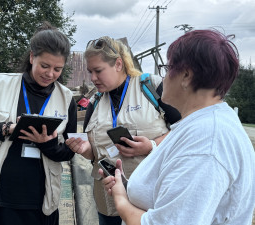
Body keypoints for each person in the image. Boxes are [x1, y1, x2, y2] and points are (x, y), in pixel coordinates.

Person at [101, 29, 255, 225]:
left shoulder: (207, 142)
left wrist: (121, 201)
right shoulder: (200, 125)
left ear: (186, 76)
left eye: (167, 68)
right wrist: (126, 186)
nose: (163, 77)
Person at [0, 21, 77, 225]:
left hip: (41, 204)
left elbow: (67, 152)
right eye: (45, 66)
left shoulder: (66, 99)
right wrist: (6, 129)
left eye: (58, 69)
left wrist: (46, 143)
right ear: (31, 57)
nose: (50, 74)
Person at [66, 36, 180, 225]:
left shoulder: (151, 87)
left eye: (98, 71)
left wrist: (152, 145)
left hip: (149, 200)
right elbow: (94, 154)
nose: (93, 78)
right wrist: (84, 148)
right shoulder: (94, 103)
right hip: (108, 201)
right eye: (90, 72)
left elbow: (185, 132)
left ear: (118, 64)